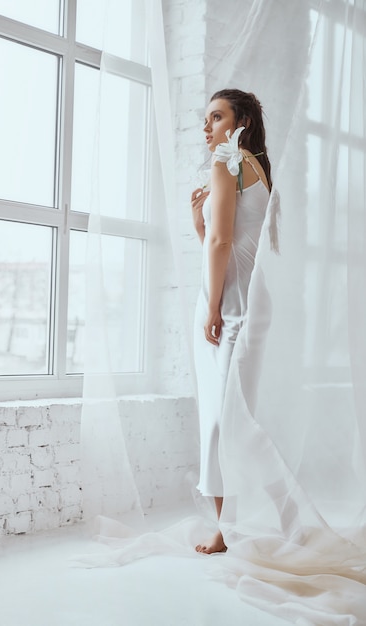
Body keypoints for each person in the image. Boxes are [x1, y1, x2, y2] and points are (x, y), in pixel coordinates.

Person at [191, 89, 272, 554]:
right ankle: (252, 519)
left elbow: (224, 244)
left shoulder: (228, 161)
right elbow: (224, 238)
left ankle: (229, 529)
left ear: (239, 120)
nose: (207, 127)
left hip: (232, 310)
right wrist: (200, 228)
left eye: (216, 117)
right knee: (234, 418)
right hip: (246, 306)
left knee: (223, 421)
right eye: (205, 119)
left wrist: (214, 308)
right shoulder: (256, 167)